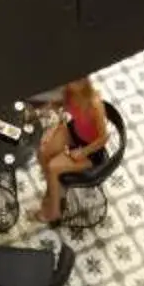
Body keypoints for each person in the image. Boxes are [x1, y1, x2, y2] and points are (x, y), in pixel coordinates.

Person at [35, 76, 108, 223]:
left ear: (85, 81)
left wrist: (83, 152)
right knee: (42, 152)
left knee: (53, 166)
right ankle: (53, 190)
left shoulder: (94, 104)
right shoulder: (68, 92)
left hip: (91, 150)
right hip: (73, 132)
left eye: (77, 80)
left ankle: (54, 212)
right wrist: (52, 129)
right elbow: (60, 109)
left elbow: (104, 138)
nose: (71, 83)